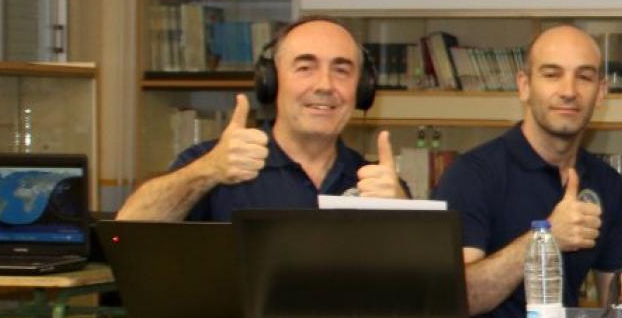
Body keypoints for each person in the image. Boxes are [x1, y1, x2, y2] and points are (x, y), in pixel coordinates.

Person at [433, 25, 622, 318]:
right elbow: (455, 299)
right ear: (524, 85)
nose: (569, 91)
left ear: (601, 92)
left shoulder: (607, 183)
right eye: (552, 74)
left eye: (584, 77)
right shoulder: (471, 175)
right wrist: (546, 240)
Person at [116, 16, 406, 221]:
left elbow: (425, 287)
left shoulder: (376, 182)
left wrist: (403, 211)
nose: (325, 85)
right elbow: (127, 230)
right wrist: (207, 171)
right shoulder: (214, 162)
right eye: (305, 67)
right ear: (270, 81)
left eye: (341, 70)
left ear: (363, 87)